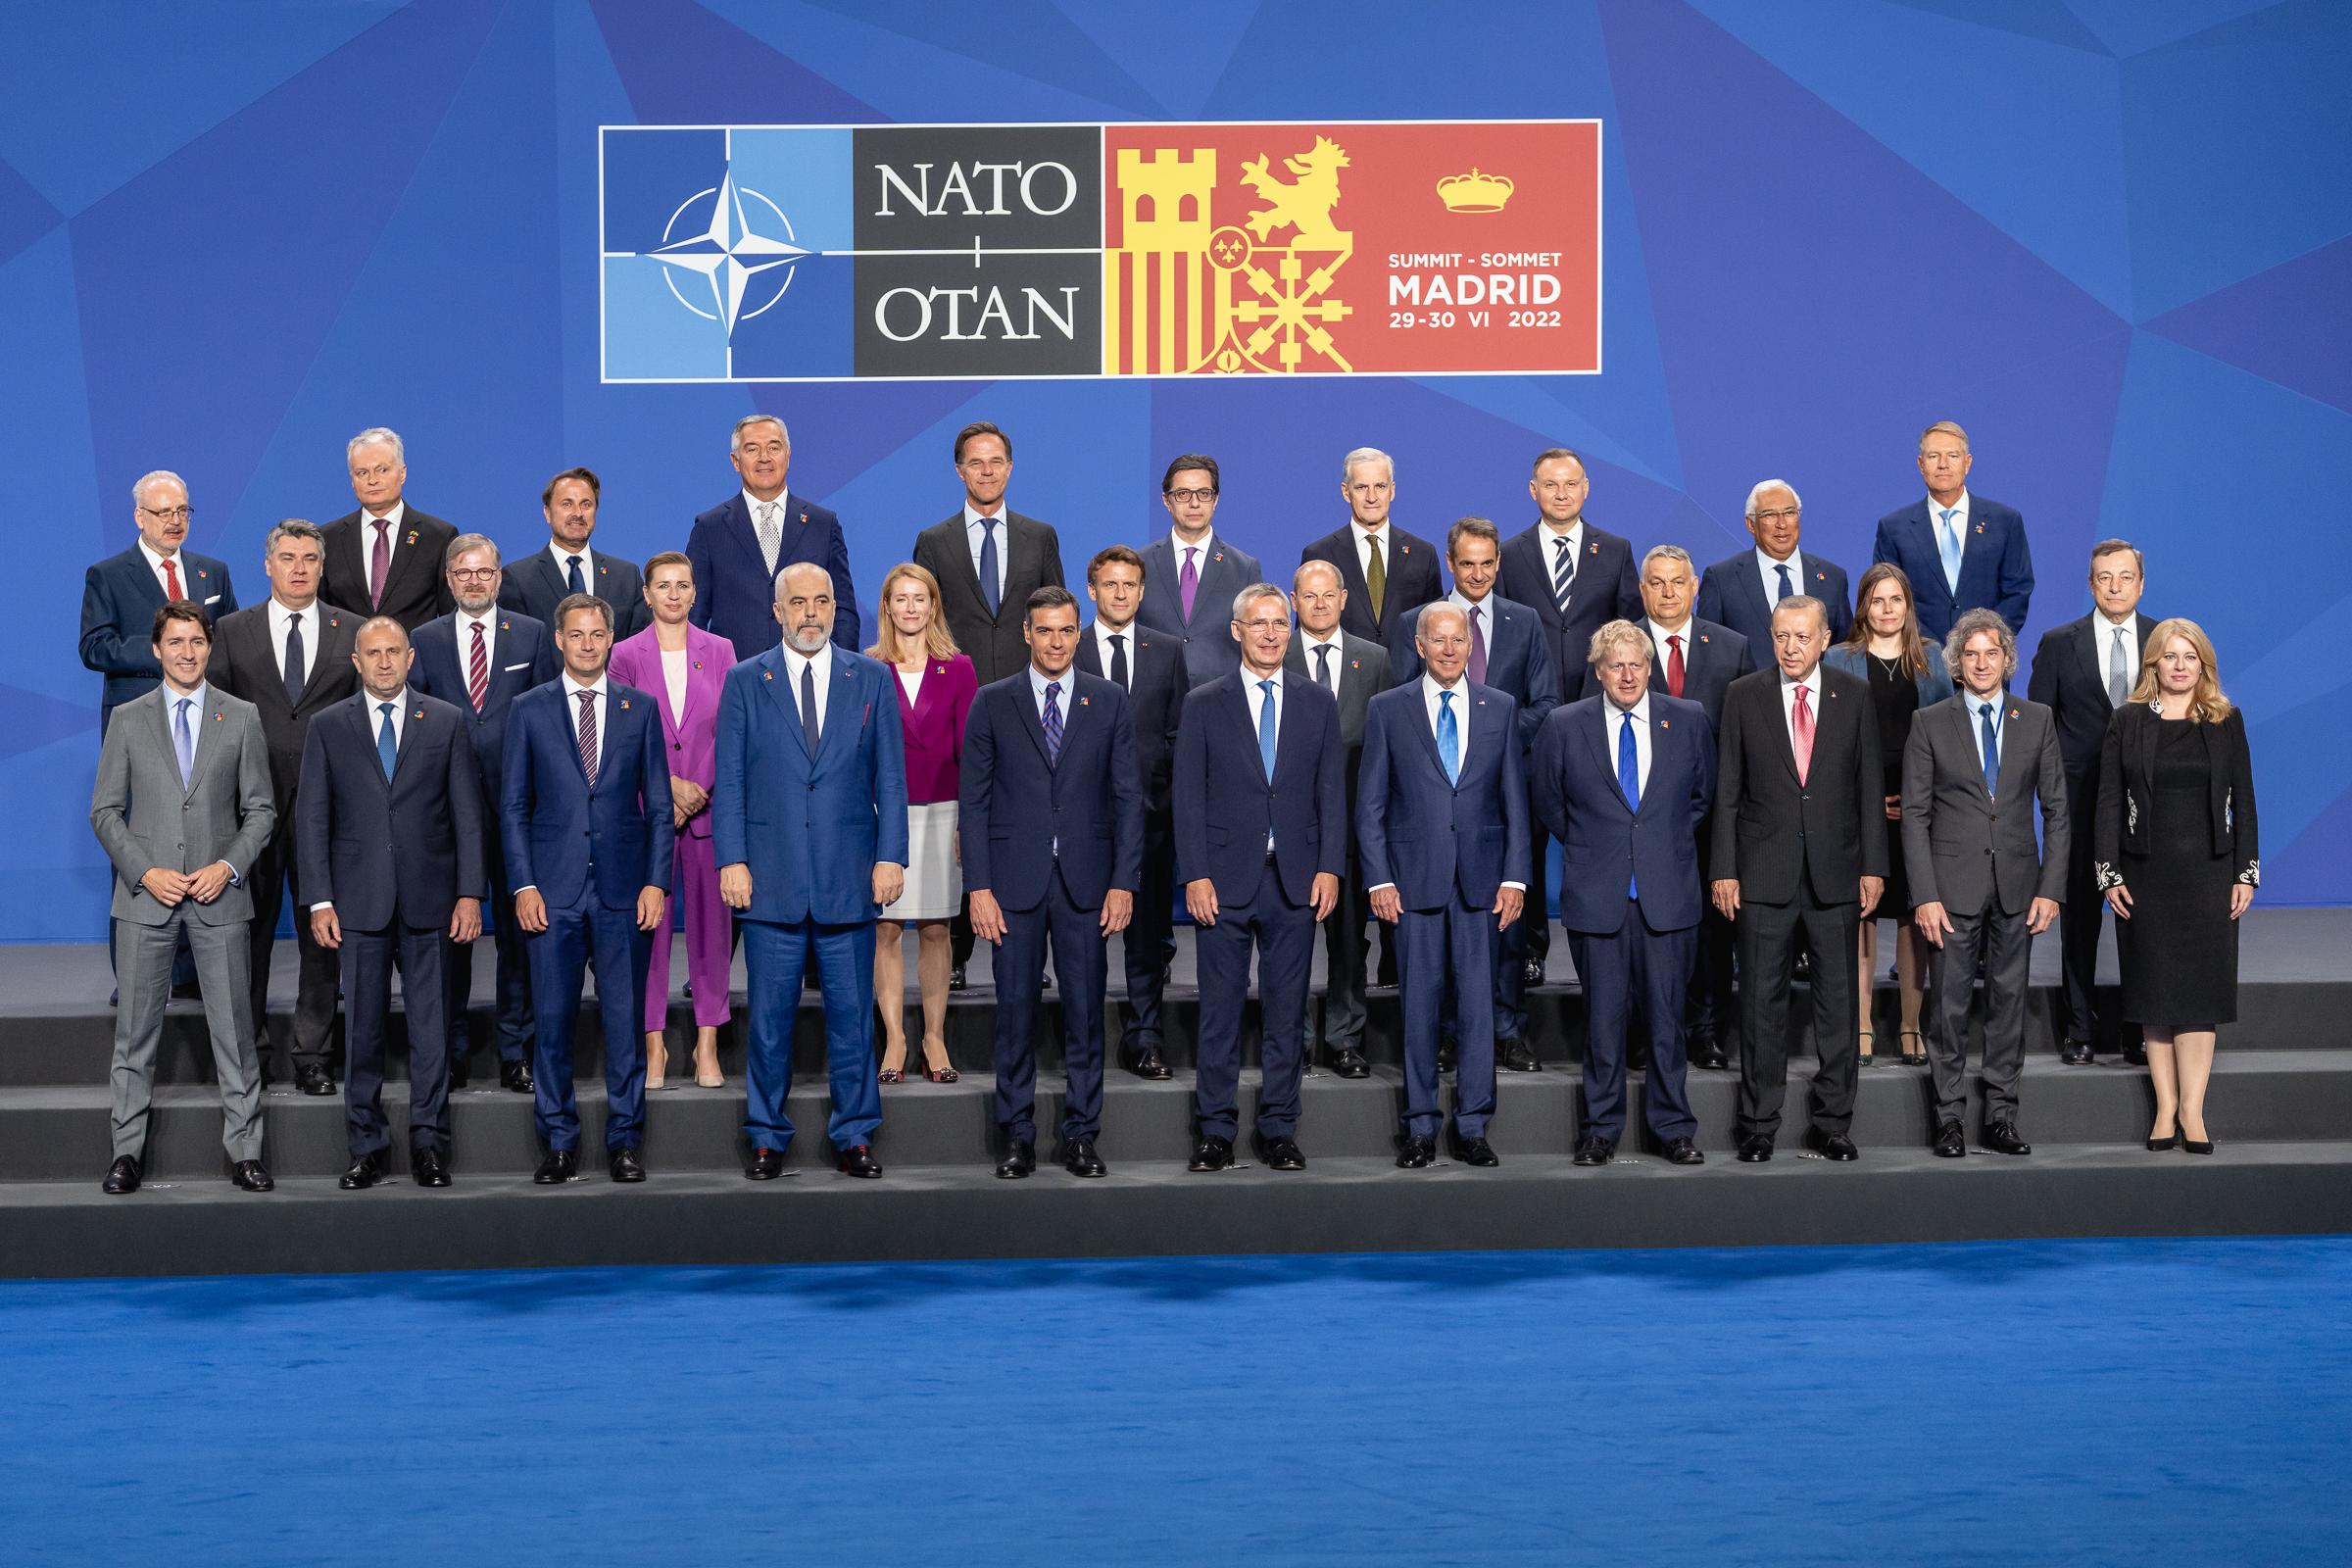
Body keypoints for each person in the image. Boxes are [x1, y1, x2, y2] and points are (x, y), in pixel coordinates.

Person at [715, 564, 907, 1180]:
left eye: (821, 601)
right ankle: (767, 1137)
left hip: (848, 877)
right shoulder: (746, 681)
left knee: (852, 1020)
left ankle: (855, 1135)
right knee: (768, 1024)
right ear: (777, 612)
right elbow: (732, 782)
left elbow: (892, 780)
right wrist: (732, 860)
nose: (810, 613)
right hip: (768, 880)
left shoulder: (871, 679)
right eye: (798, 602)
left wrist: (890, 856)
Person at [88, 601, 276, 1195]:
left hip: (219, 901)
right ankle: (126, 1154)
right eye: (176, 642)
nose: (188, 653)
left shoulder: (241, 716)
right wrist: (146, 873)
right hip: (146, 902)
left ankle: (245, 1153)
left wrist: (227, 866)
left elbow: (262, 811)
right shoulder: (127, 718)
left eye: (197, 641)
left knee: (235, 1033)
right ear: (156, 649)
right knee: (135, 1037)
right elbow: (105, 812)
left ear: (209, 646)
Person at [959, 587, 1143, 1179]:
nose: (1057, 642)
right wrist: (978, 888)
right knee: (1015, 1014)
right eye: (1046, 631)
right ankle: (1017, 1136)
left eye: (1067, 631)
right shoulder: (992, 702)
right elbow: (975, 803)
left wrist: (1124, 882)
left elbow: (1127, 800)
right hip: (1012, 884)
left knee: (1087, 1015)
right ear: (1027, 634)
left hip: (1088, 884)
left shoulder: (1110, 700)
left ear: (1079, 634)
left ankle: (1082, 1136)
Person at [297, 617, 485, 1189]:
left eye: (393, 652)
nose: (383, 662)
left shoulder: (446, 720)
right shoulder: (329, 726)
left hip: (431, 899)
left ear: (409, 658)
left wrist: (471, 892)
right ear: (356, 662)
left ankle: (429, 1145)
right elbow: (312, 819)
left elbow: (468, 817)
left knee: (432, 1032)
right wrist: (319, 900)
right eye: (372, 653)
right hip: (358, 903)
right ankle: (366, 1146)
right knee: (363, 1032)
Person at [502, 593, 673, 1185]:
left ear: (609, 638)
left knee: (625, 1025)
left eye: (597, 634)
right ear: (559, 640)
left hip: (626, 893)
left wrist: (657, 881)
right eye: (576, 635)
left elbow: (658, 808)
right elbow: (514, 808)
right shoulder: (527, 709)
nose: (587, 644)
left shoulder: (641, 708)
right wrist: (523, 884)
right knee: (551, 1024)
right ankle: (559, 1142)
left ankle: (625, 1140)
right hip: (552, 893)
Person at [1173, 583, 1345, 1171]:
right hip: (1222, 880)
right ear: (1237, 631)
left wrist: (1329, 867)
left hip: (1295, 881)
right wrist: (1194, 874)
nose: (1271, 633)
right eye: (1260, 623)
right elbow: (1187, 799)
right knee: (1220, 1010)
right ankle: (1215, 1131)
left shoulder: (1317, 701)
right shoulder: (1204, 701)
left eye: (1280, 624)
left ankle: (1279, 1129)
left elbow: (1331, 793)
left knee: (1286, 1011)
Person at [1531, 621, 1714, 1166]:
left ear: (1650, 666)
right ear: (1599, 671)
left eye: (1636, 664)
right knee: (1603, 1023)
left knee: (1667, 1020)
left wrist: (1660, 843)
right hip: (1598, 893)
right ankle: (1600, 1129)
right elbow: (1549, 801)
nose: (1627, 674)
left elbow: (1701, 798)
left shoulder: (1688, 719)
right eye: (1616, 665)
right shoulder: (1564, 725)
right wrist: (1594, 844)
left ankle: (1673, 1128)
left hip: (1668, 893)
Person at [1710, 596, 1886, 1162]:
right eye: (1782, 636)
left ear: (1825, 637)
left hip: (1836, 875)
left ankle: (1833, 1122)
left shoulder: (1854, 696)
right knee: (1762, 1006)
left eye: (1802, 637)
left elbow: (1867, 789)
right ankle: (1759, 1123)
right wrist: (1724, 870)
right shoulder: (1744, 696)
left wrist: (1873, 867)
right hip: (1763, 877)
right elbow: (1728, 793)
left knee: (1839, 1005)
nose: (1791, 648)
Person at [1357, 603, 1529, 1169]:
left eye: (1460, 640)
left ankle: (1474, 1126)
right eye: (1440, 640)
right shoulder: (1388, 708)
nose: (1451, 650)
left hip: (1482, 884)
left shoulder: (1499, 707)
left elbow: (1514, 803)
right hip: (1412, 883)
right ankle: (1421, 1127)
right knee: (1421, 1009)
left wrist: (1515, 877)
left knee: (1479, 1009)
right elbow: (1372, 805)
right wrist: (1379, 877)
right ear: (1421, 645)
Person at [1390, 516, 1559, 1070]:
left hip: (1503, 800)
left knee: (1505, 923)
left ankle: (1507, 1028)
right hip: (1434, 803)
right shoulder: (1415, 622)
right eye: (1469, 563)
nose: (1480, 572)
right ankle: (1443, 1032)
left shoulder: (1525, 621)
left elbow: (1545, 702)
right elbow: (1401, 709)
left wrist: (1491, 741)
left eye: (1489, 563)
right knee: (1439, 923)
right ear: (1450, 563)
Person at [203, 520, 358, 1097]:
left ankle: (313, 1054)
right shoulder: (230, 631)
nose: (298, 567)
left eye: (310, 558)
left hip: (329, 812)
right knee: (248, 936)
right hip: (249, 813)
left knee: (323, 935)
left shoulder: (355, 632)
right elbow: (214, 721)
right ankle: (249, 1054)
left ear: (322, 567)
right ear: (267, 565)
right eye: (287, 557)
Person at [1902, 609, 2066, 1158]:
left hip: (2020, 887)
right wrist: (1924, 893)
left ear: (2006, 660)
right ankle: (1948, 1119)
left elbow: (2058, 813)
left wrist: (2051, 888)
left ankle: (2001, 1115)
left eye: (1990, 653)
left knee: (2008, 1003)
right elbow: (1915, 816)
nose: (1980, 663)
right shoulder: (1929, 723)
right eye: (1970, 654)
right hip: (1950, 891)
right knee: (1947, 1008)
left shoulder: (2037, 719)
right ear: (1956, 662)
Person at [910, 420, 1066, 989]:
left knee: (1029, 822)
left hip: (1031, 702)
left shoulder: (1039, 534)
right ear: (959, 470)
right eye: (975, 463)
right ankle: (954, 956)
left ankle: (1030, 952)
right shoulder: (934, 540)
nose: (986, 471)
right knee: (966, 824)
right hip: (962, 704)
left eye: (996, 461)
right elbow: (923, 620)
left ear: (1009, 466)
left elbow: (1056, 614)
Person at [2097, 619, 2256, 1157]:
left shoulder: (2226, 721)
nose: (2180, 665)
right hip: (2145, 875)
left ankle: (2194, 1109)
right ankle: (2165, 1107)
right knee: (2155, 994)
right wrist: (2108, 872)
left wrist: (2245, 872)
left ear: (2203, 665)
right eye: (2170, 656)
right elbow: (2108, 803)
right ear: (2154, 665)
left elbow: (2246, 801)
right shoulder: (2127, 721)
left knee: (2198, 997)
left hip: (2210, 874)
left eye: (2190, 657)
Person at [410, 535, 559, 1096]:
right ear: (449, 579)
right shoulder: (422, 640)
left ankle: (516, 1051)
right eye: (464, 573)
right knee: (452, 941)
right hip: (445, 820)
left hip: (518, 812)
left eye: (485, 573)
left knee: (521, 940)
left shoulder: (532, 633)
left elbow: (548, 716)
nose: (475, 582)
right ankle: (450, 1052)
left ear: (499, 578)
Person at [1597, 544, 1752, 1069]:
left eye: (1677, 582)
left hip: (1711, 822)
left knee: (1710, 931)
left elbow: (1747, 739)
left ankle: (1705, 1029)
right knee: (1640, 931)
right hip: (1638, 828)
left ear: (1695, 588)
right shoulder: (1619, 649)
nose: (1668, 592)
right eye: (1656, 583)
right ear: (1641, 590)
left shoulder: (1731, 648)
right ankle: (1642, 1031)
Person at [608, 552, 735, 1091]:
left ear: (694, 592)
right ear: (647, 594)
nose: (675, 594)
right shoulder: (624, 654)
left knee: (712, 933)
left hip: (709, 811)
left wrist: (700, 789)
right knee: (650, 931)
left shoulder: (722, 650)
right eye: (664, 586)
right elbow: (619, 734)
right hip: (648, 813)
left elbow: (734, 728)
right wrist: (665, 789)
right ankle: (653, 1045)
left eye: (683, 584)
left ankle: (708, 1043)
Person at [2029, 540, 2157, 1066]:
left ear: (2141, 583)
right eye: (2104, 577)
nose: (2115, 587)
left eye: (2125, 577)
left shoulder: (2164, 641)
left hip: (2150, 807)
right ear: (2090, 583)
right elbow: (2036, 728)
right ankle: (2078, 1030)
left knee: (2143, 923)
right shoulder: (2060, 643)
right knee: (2080, 922)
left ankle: (2139, 1030)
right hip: (2079, 803)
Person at [1823, 564, 1950, 1067]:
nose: (1888, 609)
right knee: (1863, 914)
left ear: (1908, 605)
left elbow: (1947, 737)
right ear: (1863, 607)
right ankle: (1859, 1027)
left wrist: (1919, 798)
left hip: (1920, 805)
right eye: (1878, 601)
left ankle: (1911, 1026)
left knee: (1912, 915)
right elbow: (1831, 743)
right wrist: (1865, 799)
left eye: (1896, 599)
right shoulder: (1838, 660)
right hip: (1859, 805)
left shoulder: (1934, 660)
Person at [1075, 545, 1190, 1079]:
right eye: (1110, 585)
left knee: (1147, 938)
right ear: (1092, 590)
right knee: (1085, 938)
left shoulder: (1166, 650)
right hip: (1082, 824)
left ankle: (1145, 1038)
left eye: (1129, 585)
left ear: (1142, 592)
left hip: (1151, 821)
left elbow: (1178, 734)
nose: (1120, 594)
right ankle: (1087, 1041)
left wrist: (1163, 796)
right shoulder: (1066, 648)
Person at [1283, 560, 1396, 1077]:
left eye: (1329, 595)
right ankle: (1296, 1039)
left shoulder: (1374, 660)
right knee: (1294, 939)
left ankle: (1345, 1038)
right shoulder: (1273, 653)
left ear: (1344, 599)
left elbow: (1385, 745)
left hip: (1351, 824)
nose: (1320, 604)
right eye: (1310, 596)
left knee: (1350, 941)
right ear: (1294, 600)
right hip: (1287, 825)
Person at [866, 563, 976, 1084]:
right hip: (881, 815)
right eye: (900, 599)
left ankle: (934, 1037)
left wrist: (967, 823)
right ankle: (895, 1038)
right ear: (886, 607)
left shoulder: (958, 668)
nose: (910, 608)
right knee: (885, 929)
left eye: (920, 599)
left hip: (943, 811)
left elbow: (971, 754)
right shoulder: (865, 668)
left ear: (933, 606)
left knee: (936, 928)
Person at [687, 414, 858, 662]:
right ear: (736, 461)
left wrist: (844, 674)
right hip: (735, 680)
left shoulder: (823, 524)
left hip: (811, 676)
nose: (764, 457)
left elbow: (842, 610)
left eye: (774, 447)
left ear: (788, 456)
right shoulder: (709, 528)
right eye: (752, 448)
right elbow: (694, 617)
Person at [82, 470, 238, 735]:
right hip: (138, 718)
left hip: (209, 716)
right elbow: (94, 647)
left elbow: (232, 640)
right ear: (139, 517)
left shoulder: (214, 571)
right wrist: (166, 652)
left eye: (182, 511)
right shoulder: (108, 575)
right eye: (164, 512)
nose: (175, 521)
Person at [1872, 421, 2034, 644]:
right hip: (1918, 662)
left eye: (1953, 456)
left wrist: (1982, 644)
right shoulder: (1894, 528)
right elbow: (1888, 600)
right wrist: (1930, 651)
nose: (1943, 464)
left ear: (1967, 463)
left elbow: (2017, 593)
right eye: (1934, 456)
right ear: (1921, 464)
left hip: (1985, 661)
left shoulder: (2005, 522)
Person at [1135, 453, 1261, 689]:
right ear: (1166, 500)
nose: (1194, 503)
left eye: (1203, 494)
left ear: (1215, 499)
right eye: (1183, 494)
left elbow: (1256, 642)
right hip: (1153, 704)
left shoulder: (1245, 568)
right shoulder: (1138, 565)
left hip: (1222, 703)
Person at [1300, 447, 1443, 649]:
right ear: (1345, 492)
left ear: (1392, 490)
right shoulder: (1320, 555)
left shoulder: (1422, 554)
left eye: (1380, 486)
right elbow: (1305, 634)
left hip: (1407, 677)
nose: (1371, 497)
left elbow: (1436, 627)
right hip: (1344, 676)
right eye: (1361, 487)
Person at [320, 428, 456, 629]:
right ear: (352, 480)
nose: (372, 480)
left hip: (414, 657)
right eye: (362, 472)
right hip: (348, 659)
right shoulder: (327, 539)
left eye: (382, 470)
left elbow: (451, 619)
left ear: (402, 473)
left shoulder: (438, 536)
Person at [1696, 480, 1853, 651]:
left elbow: (1844, 652)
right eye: (1770, 515)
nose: (1782, 524)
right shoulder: (1721, 579)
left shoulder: (1833, 578)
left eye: (1790, 512)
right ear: (1751, 524)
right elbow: (1707, 651)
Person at [499, 467, 650, 640]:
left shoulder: (626, 576)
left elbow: (638, 647)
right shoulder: (518, 579)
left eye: (586, 504)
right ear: (547, 513)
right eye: (567, 504)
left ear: (596, 511)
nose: (577, 513)